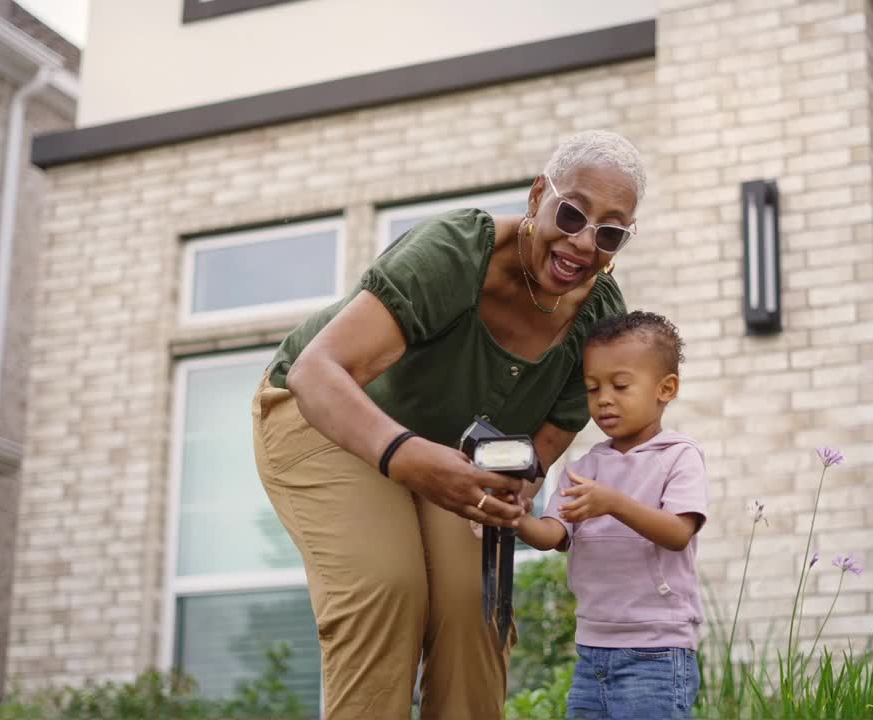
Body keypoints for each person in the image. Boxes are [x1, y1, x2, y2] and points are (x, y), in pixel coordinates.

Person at [250, 130, 646, 719]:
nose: (584, 242)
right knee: (388, 587)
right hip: (323, 418)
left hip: (449, 458)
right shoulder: (457, 251)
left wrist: (517, 497)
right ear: (539, 195)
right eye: (572, 213)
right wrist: (407, 457)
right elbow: (318, 372)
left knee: (478, 606)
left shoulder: (600, 317)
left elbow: (534, 455)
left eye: (610, 232)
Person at [516, 310, 709, 720]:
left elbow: (677, 532)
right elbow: (554, 533)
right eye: (592, 388)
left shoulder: (679, 457)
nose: (604, 399)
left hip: (656, 653)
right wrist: (516, 520)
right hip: (592, 651)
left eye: (620, 386)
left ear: (666, 388)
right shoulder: (586, 465)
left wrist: (613, 503)